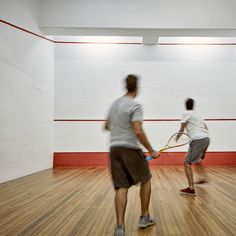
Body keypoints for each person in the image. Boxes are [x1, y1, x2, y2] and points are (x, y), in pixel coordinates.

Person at [104, 74, 160, 236]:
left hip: (114, 148)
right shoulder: (135, 105)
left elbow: (107, 126)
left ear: (125, 86)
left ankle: (120, 227)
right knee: (146, 179)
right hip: (130, 148)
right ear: (136, 88)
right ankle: (144, 217)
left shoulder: (114, 104)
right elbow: (138, 131)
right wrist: (151, 150)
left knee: (121, 187)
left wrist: (119, 128)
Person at [177, 98, 210, 196]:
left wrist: (177, 138)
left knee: (187, 163)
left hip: (197, 140)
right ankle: (202, 178)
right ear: (193, 105)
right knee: (197, 159)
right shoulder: (198, 115)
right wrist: (204, 151)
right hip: (206, 139)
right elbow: (206, 128)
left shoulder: (186, 113)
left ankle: (191, 189)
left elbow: (182, 129)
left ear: (186, 105)